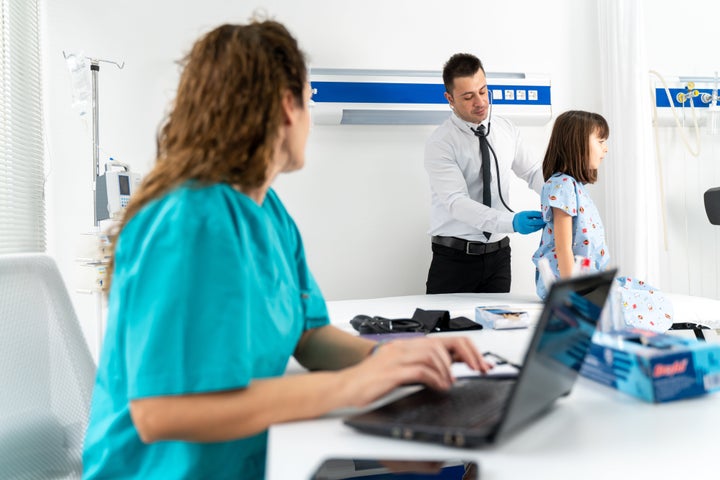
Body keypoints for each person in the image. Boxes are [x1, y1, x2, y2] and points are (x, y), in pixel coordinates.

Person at [80, 20, 490, 479]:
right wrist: (355, 388)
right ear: (285, 106)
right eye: (310, 97)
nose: (311, 114)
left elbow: (308, 336)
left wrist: (393, 358)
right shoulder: (185, 220)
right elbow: (161, 414)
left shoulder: (267, 210)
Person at [531, 110, 673, 331]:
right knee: (637, 306)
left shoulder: (575, 187)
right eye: (600, 141)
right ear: (576, 144)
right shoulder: (563, 185)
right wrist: (571, 295)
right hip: (567, 283)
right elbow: (563, 247)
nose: (605, 148)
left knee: (644, 293)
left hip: (585, 280)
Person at [424, 53, 545, 294]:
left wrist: (560, 194)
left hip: (499, 257)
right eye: (468, 97)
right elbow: (457, 203)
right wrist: (511, 221)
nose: (479, 102)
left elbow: (532, 171)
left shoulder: (505, 129)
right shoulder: (441, 143)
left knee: (498, 329)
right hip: (454, 259)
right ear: (450, 98)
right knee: (444, 332)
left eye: (483, 91)